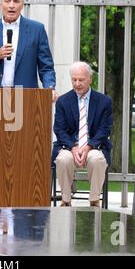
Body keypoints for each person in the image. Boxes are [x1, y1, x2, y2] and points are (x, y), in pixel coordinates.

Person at [52, 61, 112, 207]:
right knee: (63, 160)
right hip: (69, 146)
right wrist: (73, 147)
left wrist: (88, 147)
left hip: (94, 147)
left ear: (90, 79)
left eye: (81, 80)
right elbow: (59, 129)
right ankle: (66, 200)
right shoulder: (63, 102)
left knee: (97, 160)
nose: (77, 83)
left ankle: (94, 200)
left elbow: (105, 129)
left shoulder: (104, 101)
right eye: (74, 80)